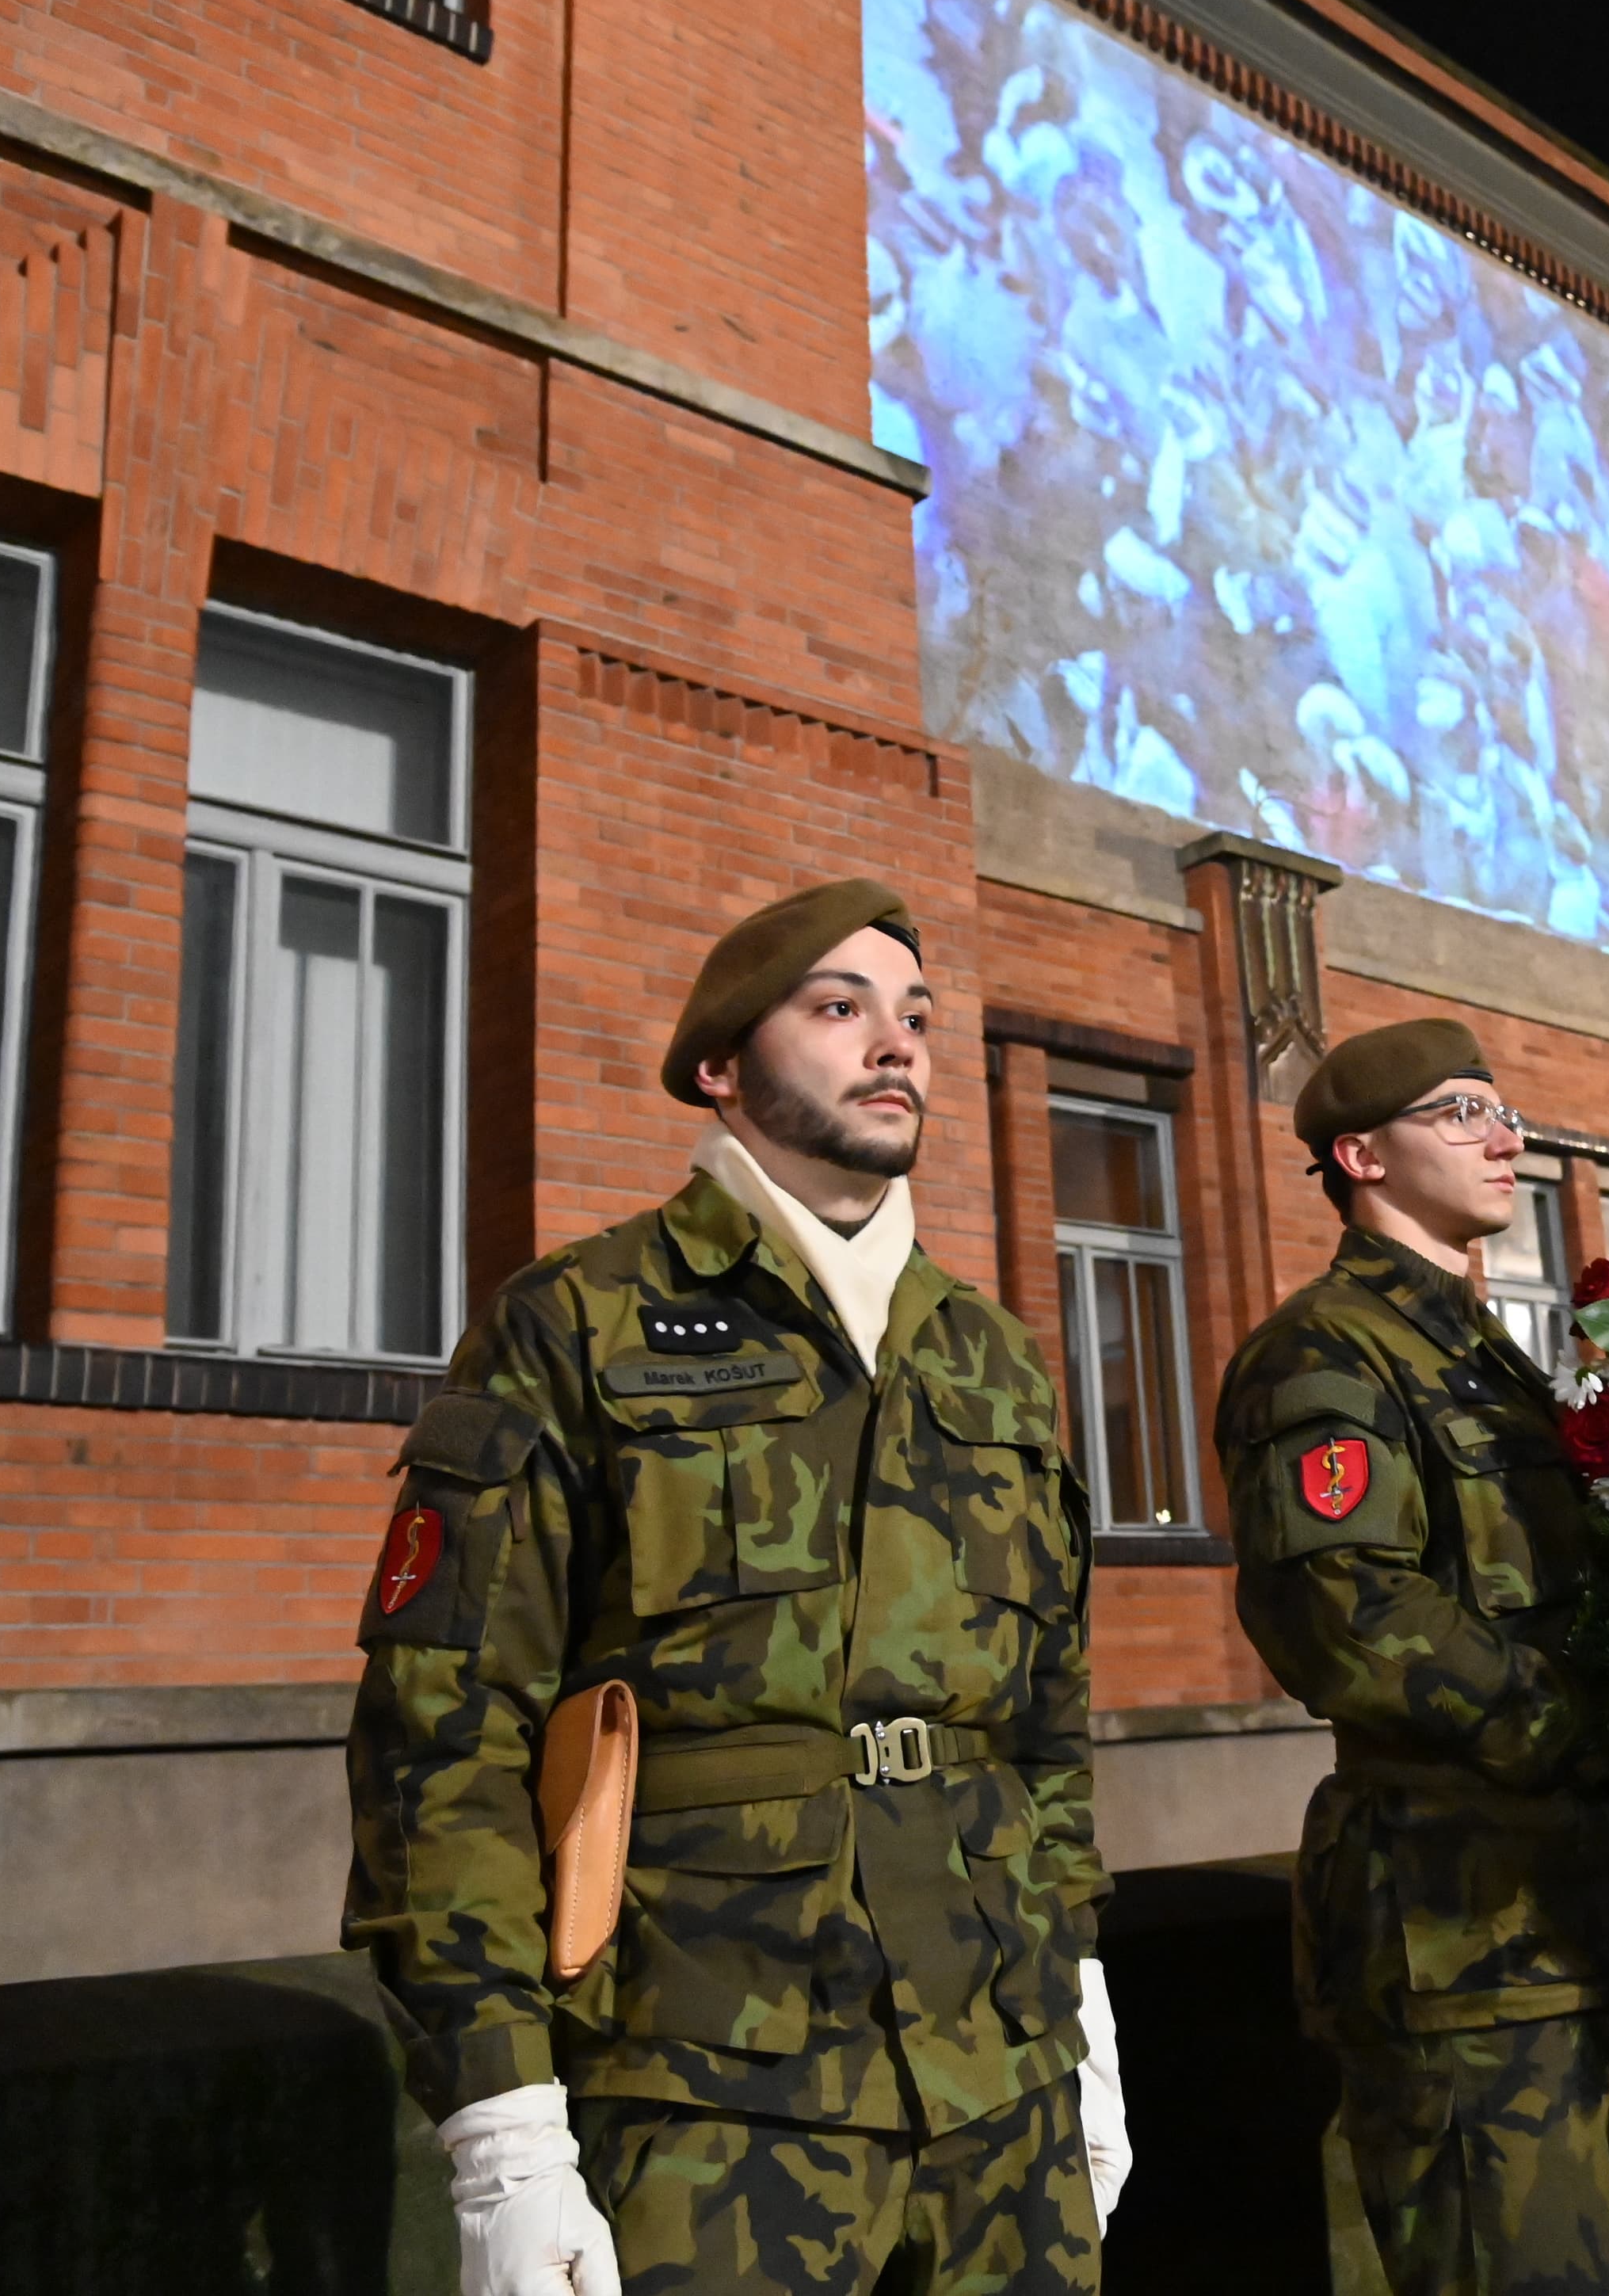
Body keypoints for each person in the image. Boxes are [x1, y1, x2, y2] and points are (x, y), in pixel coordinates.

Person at [345, 878, 1123, 2296]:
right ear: (720, 1067)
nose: (894, 1045)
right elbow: (443, 1739)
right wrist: (502, 2128)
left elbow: (1044, 1735)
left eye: (915, 1017)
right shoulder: (574, 1321)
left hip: (1003, 2093)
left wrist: (1084, 2010)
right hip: (714, 2101)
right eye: (837, 1009)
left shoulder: (989, 1359)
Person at [1214, 1018, 1609, 2296]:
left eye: (1500, 1106)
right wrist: (1592, 1729)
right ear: (1360, 1154)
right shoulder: (1323, 1354)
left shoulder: (1488, 1361)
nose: (1505, 1135)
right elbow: (1351, 1614)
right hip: (1459, 1937)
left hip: (1586, 1916)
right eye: (1461, 1111)